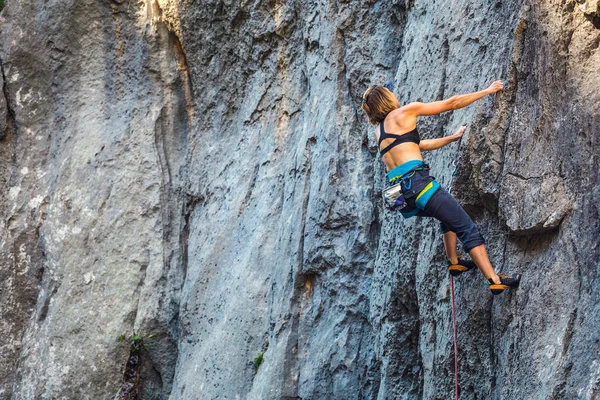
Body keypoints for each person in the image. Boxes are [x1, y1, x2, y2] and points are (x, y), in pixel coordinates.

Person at [361, 81, 520, 295]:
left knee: (446, 214)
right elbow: (452, 103)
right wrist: (487, 91)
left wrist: (452, 138)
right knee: (466, 226)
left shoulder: (378, 132)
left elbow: (416, 145)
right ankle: (494, 279)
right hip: (418, 184)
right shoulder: (404, 112)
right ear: (386, 98)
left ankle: (454, 262)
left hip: (398, 196)